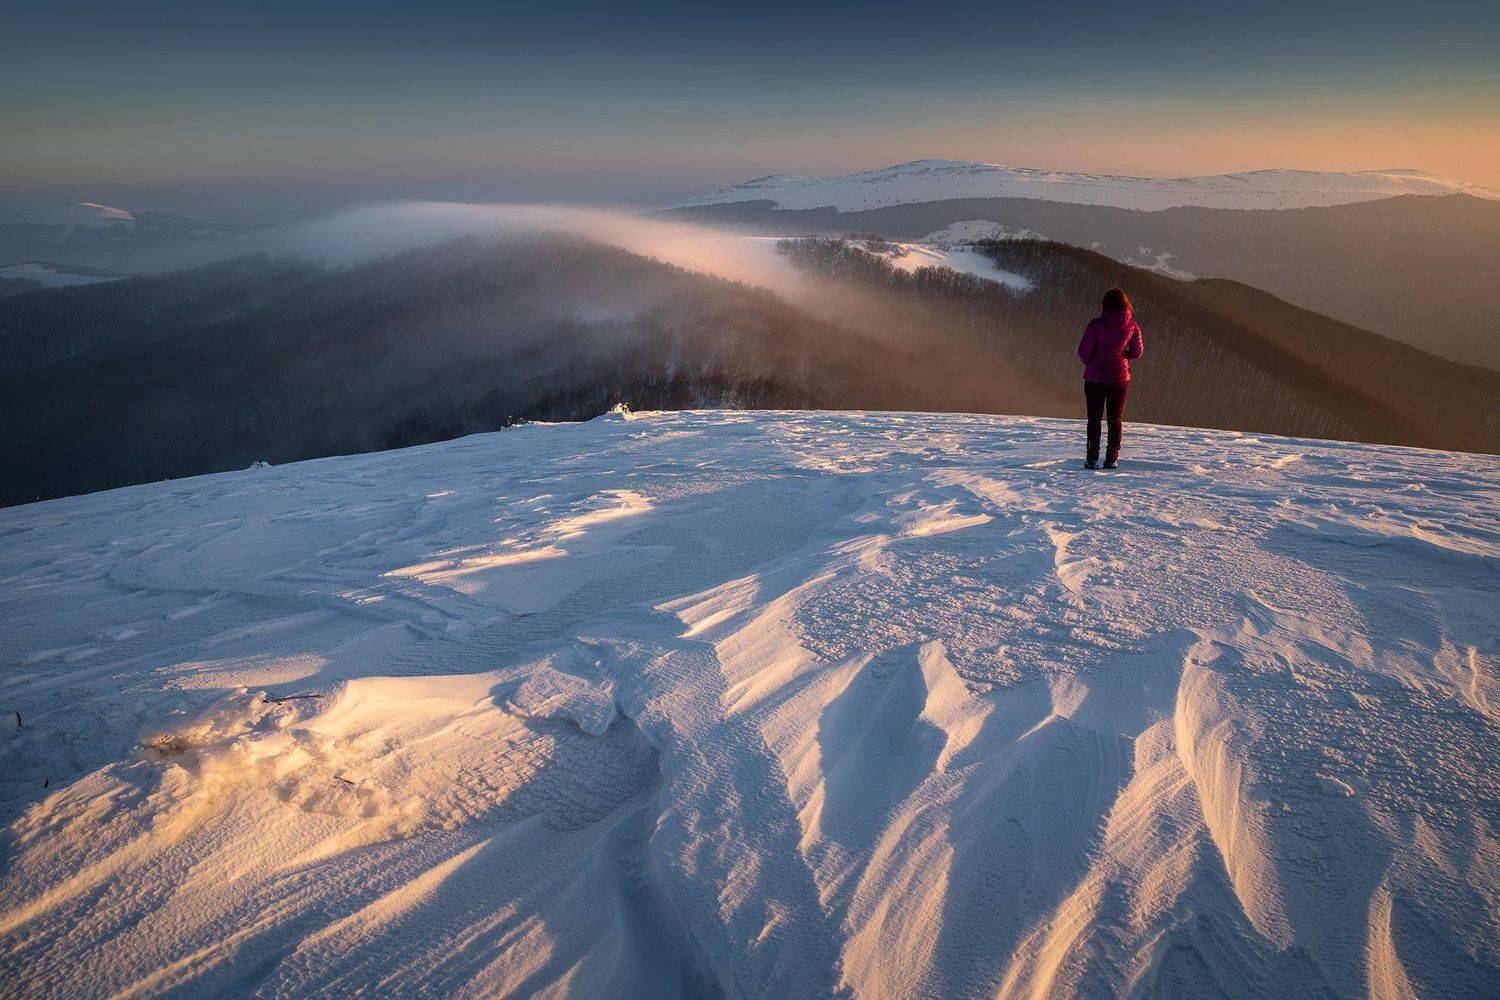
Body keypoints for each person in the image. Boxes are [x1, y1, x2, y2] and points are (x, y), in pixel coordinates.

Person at [1076, 287, 1144, 469]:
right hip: (1120, 379)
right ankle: (1112, 458)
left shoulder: (1096, 324)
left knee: (1094, 419)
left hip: (1094, 379)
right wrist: (1123, 357)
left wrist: (1092, 362)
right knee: (1115, 420)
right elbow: (1138, 352)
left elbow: (1082, 352)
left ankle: (1092, 458)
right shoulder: (1132, 326)